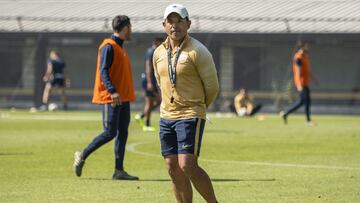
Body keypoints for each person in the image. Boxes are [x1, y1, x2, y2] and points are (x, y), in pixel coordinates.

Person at [153, 4, 219, 203]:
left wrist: (198, 108)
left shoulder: (198, 51)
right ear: (164, 25)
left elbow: (213, 87)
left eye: (180, 21)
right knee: (172, 167)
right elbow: (160, 81)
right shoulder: (158, 53)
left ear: (188, 24)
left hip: (190, 113)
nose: (175, 26)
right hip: (167, 115)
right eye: (170, 22)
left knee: (187, 164)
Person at [73, 15, 139, 180]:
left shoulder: (120, 47)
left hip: (123, 98)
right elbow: (103, 71)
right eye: (130, 27)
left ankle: (119, 170)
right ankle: (82, 155)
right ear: (125, 28)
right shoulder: (108, 46)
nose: (131, 30)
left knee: (122, 133)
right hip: (113, 98)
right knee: (110, 132)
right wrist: (112, 91)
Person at [281, 41, 317, 126]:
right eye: (306, 46)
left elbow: (307, 71)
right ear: (302, 47)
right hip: (301, 84)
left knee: (306, 102)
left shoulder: (305, 56)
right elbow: (297, 72)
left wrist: (314, 79)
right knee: (302, 102)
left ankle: (306, 120)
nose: (308, 47)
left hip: (305, 83)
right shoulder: (298, 58)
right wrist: (299, 85)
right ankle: (287, 113)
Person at [135, 37, 163, 132]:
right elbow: (148, 68)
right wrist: (150, 82)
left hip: (150, 81)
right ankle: (145, 122)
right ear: (156, 42)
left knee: (157, 101)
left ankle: (142, 116)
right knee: (151, 102)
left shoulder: (154, 52)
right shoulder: (151, 52)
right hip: (148, 81)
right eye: (161, 43)